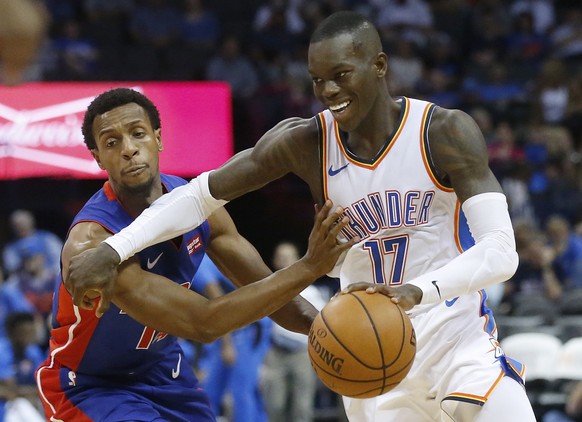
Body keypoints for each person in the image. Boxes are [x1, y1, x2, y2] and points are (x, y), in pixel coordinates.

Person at [65, 12, 536, 421]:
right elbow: (197, 196)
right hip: (372, 352)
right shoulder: (304, 141)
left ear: (379, 66)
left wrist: (416, 291)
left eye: (341, 75)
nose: (328, 90)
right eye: (317, 79)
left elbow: (500, 251)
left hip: (455, 336)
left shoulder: (444, 131)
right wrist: (114, 248)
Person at [35, 87, 353, 422]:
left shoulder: (200, 208)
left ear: (158, 139)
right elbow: (204, 323)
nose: (129, 149)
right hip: (90, 385)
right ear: (98, 156)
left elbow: (273, 294)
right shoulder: (93, 241)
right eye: (112, 142)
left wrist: (328, 331)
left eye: (138, 134)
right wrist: (308, 267)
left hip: (161, 372)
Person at [192, 255, 271, 422]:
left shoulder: (197, 260)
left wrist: (227, 344)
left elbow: (219, 302)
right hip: (225, 327)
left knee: (241, 389)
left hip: (248, 325)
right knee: (209, 389)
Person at [262, 241, 328, 422]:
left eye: (288, 257)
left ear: (297, 260)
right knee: (274, 404)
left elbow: (322, 325)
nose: (284, 261)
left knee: (302, 406)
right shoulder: (267, 288)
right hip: (276, 352)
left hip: (302, 353)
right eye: (280, 257)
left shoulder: (311, 291)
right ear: (275, 261)